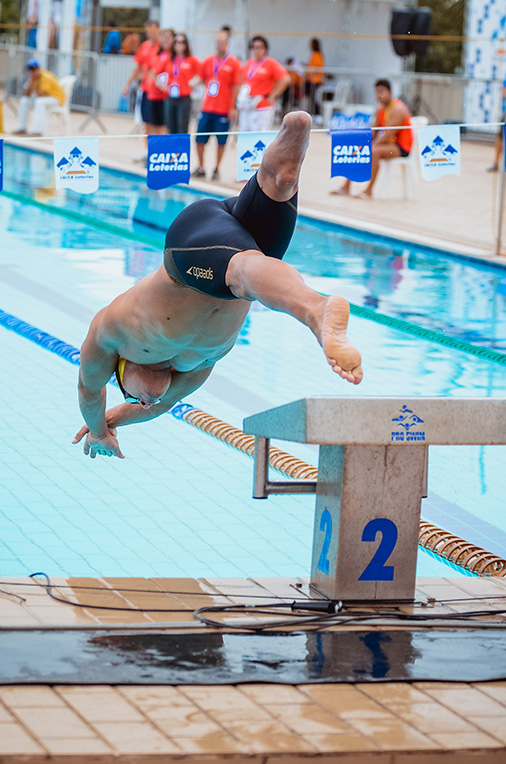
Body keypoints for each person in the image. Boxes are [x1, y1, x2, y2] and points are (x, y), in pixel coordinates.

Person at [72, 111, 363, 460]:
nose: (144, 401)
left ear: (118, 371)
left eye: (131, 397)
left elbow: (88, 392)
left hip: (193, 246)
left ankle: (317, 310)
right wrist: (115, 421)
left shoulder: (111, 333)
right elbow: (159, 406)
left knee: (240, 275)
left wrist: (100, 431)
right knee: (281, 182)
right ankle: (296, 129)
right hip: (252, 264)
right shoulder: (192, 371)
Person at [332, 78, 412, 199]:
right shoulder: (381, 109)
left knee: (373, 152)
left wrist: (371, 146)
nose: (379, 95)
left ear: (390, 92)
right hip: (388, 144)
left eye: (381, 91)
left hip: (401, 147)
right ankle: (346, 186)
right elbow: (373, 132)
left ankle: (369, 191)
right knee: (357, 148)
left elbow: (389, 134)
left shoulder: (398, 109)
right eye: (377, 92)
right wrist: (362, 143)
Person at [192, 30, 240, 181]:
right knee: (199, 138)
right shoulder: (208, 60)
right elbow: (199, 79)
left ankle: (217, 168)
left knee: (221, 141)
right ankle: (201, 166)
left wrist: (233, 107)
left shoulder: (233, 63)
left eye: (222, 43)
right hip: (207, 108)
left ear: (227, 44)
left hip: (224, 109)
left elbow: (237, 86)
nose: (219, 46)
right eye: (217, 43)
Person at [122, 19, 160, 158]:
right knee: (147, 122)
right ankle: (148, 151)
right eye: (148, 30)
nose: (150, 33)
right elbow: (137, 67)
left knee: (158, 124)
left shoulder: (162, 49)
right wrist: (128, 84)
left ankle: (157, 151)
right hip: (145, 90)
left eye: (153, 30)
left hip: (158, 93)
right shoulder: (145, 46)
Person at [238, 36, 291, 132]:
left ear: (265, 49)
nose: (256, 50)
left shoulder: (271, 63)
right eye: (254, 47)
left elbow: (285, 79)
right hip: (247, 105)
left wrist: (273, 94)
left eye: (259, 47)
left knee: (260, 136)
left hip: (263, 105)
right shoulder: (249, 63)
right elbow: (241, 79)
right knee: (245, 133)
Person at [13, 59, 65, 137]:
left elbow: (40, 95)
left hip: (57, 99)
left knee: (39, 102)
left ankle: (37, 131)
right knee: (24, 101)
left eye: (34, 69)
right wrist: (31, 82)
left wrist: (32, 82)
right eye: (30, 69)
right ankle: (22, 128)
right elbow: (26, 95)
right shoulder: (32, 78)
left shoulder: (46, 77)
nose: (32, 71)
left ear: (38, 69)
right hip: (45, 98)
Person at [164, 33, 201, 134]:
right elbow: (156, 72)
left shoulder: (191, 60)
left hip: (184, 97)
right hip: (170, 96)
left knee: (182, 126)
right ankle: (172, 149)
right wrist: (161, 85)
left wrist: (193, 83)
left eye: (181, 42)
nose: (178, 44)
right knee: (170, 126)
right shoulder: (170, 59)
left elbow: (202, 74)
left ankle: (181, 150)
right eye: (176, 42)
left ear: (186, 44)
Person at [145, 28, 175, 134]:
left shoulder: (174, 55)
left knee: (164, 126)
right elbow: (152, 71)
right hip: (154, 95)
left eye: (168, 37)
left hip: (167, 97)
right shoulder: (159, 53)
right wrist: (159, 84)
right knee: (154, 125)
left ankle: (164, 150)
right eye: (163, 36)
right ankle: (155, 150)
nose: (165, 39)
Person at [487, 77, 506, 172]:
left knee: (500, 139)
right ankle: (496, 163)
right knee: (500, 138)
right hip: (504, 113)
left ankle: (496, 163)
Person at [305, 38, 324, 119]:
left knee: (314, 98)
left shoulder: (317, 55)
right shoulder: (315, 54)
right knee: (312, 98)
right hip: (312, 79)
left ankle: (317, 114)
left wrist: (311, 72)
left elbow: (318, 67)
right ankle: (314, 113)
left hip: (315, 80)